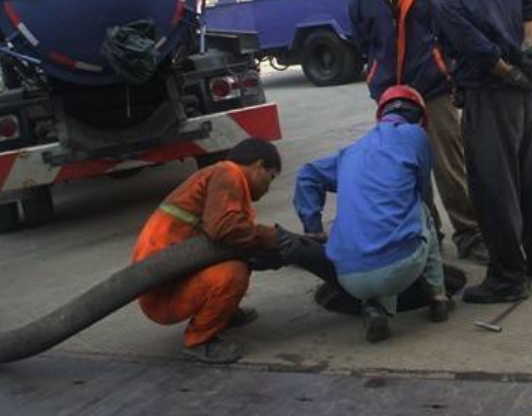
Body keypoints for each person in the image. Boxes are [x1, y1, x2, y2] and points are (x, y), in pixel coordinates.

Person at [383, 0, 532, 304]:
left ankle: (507, 279)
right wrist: (526, 55)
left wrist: (508, 73)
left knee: (492, 187)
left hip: (490, 94)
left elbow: (478, 51)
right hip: (524, 96)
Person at [349, 0, 488, 264]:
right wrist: (377, 82)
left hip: (433, 89)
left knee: (449, 166)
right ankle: (429, 235)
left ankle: (469, 233)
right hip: (393, 100)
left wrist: (447, 71)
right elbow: (364, 47)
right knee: (409, 172)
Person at [293, 85, 450, 343]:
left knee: (368, 227)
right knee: (420, 212)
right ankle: (438, 297)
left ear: (380, 115)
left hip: (348, 277)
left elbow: (307, 175)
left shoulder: (350, 152)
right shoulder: (415, 136)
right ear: (422, 119)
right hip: (401, 267)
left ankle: (375, 308)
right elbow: (422, 192)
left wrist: (313, 228)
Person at [132, 138, 291, 364]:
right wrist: (271, 236)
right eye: (271, 177)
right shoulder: (228, 173)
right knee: (233, 271)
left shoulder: (220, 180)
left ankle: (222, 315)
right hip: (162, 293)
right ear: (258, 165)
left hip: (169, 279)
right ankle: (200, 341)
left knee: (245, 254)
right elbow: (225, 230)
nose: (268, 187)